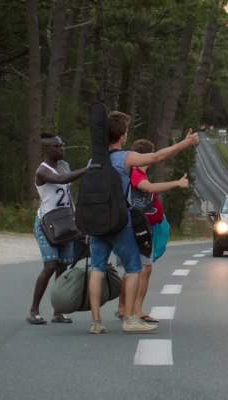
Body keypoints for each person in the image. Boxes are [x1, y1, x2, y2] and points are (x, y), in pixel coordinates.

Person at [86, 111, 198, 334]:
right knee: (134, 268)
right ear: (122, 136)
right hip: (120, 222)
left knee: (96, 268)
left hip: (97, 222)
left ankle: (96, 322)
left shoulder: (93, 160)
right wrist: (184, 144)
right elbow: (157, 157)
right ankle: (130, 318)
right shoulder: (125, 158)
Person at [115, 138, 189, 323]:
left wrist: (183, 144)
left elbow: (163, 155)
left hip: (135, 225)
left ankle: (124, 307)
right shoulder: (136, 174)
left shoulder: (133, 172)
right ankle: (135, 309)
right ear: (146, 155)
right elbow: (149, 187)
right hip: (136, 227)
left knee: (132, 269)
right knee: (143, 268)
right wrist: (176, 183)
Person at [29, 133, 87, 325]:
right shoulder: (42, 171)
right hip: (47, 223)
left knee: (63, 266)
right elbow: (62, 180)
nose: (62, 148)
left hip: (65, 221)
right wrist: (87, 169)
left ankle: (58, 311)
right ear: (48, 150)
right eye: (58, 146)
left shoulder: (64, 166)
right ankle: (34, 310)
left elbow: (68, 194)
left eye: (62, 145)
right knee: (50, 265)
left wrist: (77, 223)